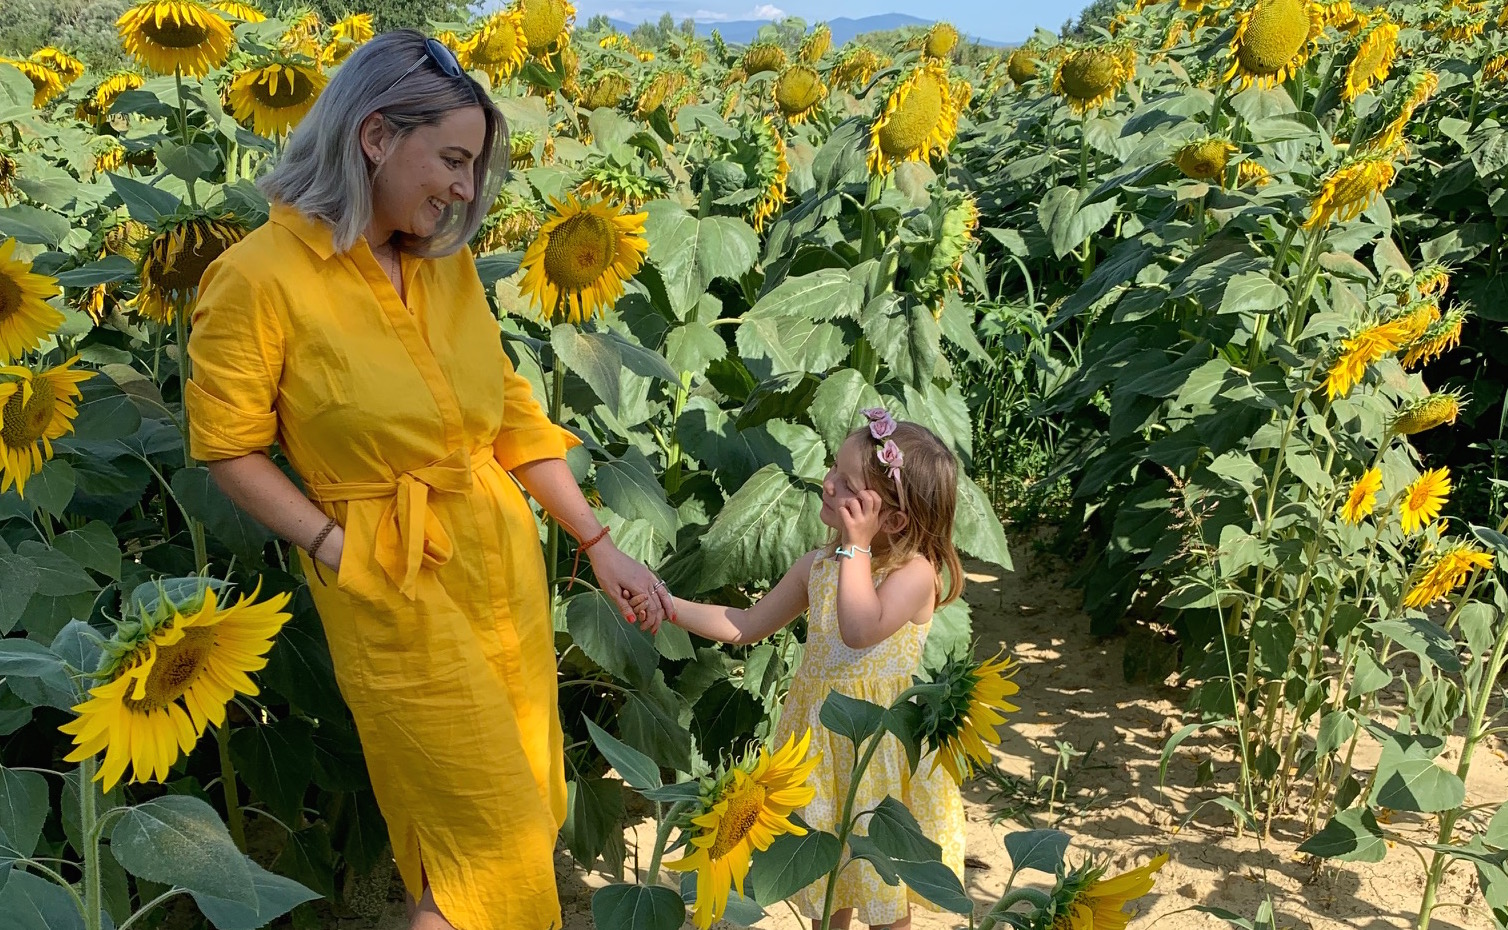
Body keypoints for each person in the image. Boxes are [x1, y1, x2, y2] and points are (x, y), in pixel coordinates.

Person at [185, 30, 673, 930]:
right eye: (451, 159)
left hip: (501, 570)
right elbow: (226, 446)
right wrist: (335, 543)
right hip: (390, 577)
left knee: (515, 810)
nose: (463, 187)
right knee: (486, 840)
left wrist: (597, 543)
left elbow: (510, 419)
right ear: (375, 136)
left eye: (472, 165)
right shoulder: (257, 279)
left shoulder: (442, 267)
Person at [635, 408, 967, 930]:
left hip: (874, 749)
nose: (827, 483)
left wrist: (855, 548)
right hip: (815, 741)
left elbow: (860, 628)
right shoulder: (820, 564)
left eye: (848, 484)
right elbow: (745, 623)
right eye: (832, 470)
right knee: (821, 876)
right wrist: (670, 605)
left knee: (880, 884)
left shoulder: (915, 572)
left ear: (894, 520)